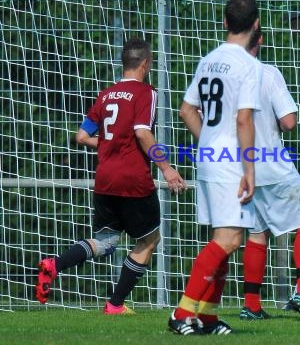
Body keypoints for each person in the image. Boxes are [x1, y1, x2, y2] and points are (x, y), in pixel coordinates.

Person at [35, 38, 187, 314]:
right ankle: (115, 304)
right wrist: (166, 168)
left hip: (105, 179)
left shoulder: (106, 95)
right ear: (145, 64)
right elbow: (142, 132)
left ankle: (54, 265)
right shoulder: (146, 93)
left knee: (105, 243)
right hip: (132, 179)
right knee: (149, 240)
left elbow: (82, 136)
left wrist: (109, 143)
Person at [169, 0, 261, 336]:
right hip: (229, 161)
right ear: (255, 25)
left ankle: (206, 316)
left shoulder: (208, 60)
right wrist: (249, 169)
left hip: (207, 156)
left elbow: (186, 110)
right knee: (228, 239)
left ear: (225, 23)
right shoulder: (248, 65)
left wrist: (209, 139)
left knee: (228, 237)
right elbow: (243, 120)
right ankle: (183, 312)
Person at [238, 28, 300, 321]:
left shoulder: (222, 75)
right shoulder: (267, 73)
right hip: (270, 164)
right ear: (260, 41)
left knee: (256, 234)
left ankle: (251, 305)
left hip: (237, 167)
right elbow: (289, 121)